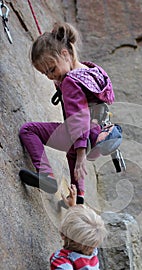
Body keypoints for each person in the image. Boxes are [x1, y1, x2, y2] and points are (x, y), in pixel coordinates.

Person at [19, 22, 122, 205]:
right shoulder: (92, 71)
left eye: (51, 69)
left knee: (29, 131)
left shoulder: (70, 81)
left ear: (65, 54)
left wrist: (82, 154)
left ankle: (46, 176)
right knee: (72, 154)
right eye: (45, 74)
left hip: (82, 134)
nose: (50, 76)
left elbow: (79, 117)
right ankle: (78, 197)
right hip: (98, 133)